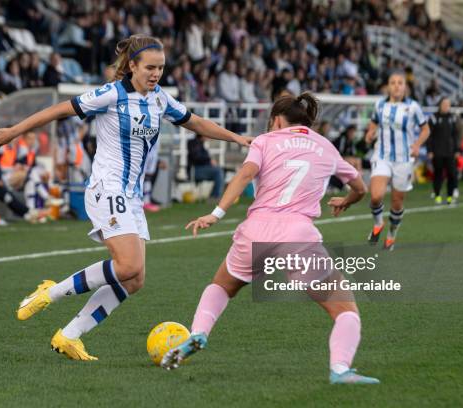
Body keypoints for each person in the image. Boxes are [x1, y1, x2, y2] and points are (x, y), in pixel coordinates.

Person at [0, 34, 251, 361]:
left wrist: (237, 138)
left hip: (132, 196)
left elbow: (195, 122)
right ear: (133, 66)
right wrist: (13, 131)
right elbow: (58, 110)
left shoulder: (159, 99)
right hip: (106, 188)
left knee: (135, 278)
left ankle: (69, 335)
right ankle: (50, 292)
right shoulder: (112, 93)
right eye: (150, 67)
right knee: (128, 264)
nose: (155, 74)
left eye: (161, 68)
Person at [160, 93, 379, 385]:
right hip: (297, 234)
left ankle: (199, 332)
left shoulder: (264, 140)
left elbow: (244, 174)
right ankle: (340, 370)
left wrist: (215, 214)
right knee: (345, 310)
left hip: (255, 230)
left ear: (276, 120)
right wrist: (347, 200)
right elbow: (361, 187)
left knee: (222, 286)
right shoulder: (326, 146)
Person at [364, 72, 430, 251]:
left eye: (400, 83)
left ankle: (392, 235)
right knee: (376, 196)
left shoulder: (413, 107)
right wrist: (370, 133)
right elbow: (373, 123)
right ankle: (378, 224)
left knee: (396, 202)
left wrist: (417, 145)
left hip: (404, 160)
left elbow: (425, 129)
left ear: (405, 87)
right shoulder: (380, 105)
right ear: (388, 86)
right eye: (393, 82)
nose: (396, 85)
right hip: (382, 156)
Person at [427, 97, 459, 204]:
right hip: (437, 151)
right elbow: (429, 136)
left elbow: (455, 135)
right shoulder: (434, 118)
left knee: (452, 174)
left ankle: (450, 196)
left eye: (448, 104)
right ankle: (437, 195)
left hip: (449, 151)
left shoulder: (452, 118)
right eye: (444, 104)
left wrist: (456, 150)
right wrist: (430, 150)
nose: (446, 106)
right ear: (440, 104)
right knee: (438, 174)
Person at [188, 133, 224, 198]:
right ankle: (215, 196)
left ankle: (215, 195)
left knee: (220, 170)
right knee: (218, 171)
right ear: (202, 134)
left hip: (200, 169)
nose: (209, 137)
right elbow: (196, 157)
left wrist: (210, 162)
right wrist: (209, 160)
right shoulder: (193, 143)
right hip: (194, 170)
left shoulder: (200, 144)